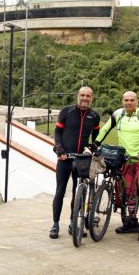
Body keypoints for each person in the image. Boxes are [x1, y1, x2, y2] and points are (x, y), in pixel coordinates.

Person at [94, 91, 139, 241]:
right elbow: (105, 129)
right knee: (129, 193)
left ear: (137, 101)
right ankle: (131, 222)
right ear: (122, 101)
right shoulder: (118, 114)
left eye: (132, 100)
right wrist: (95, 143)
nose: (129, 103)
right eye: (126, 100)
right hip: (126, 161)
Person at [49, 86, 100, 239]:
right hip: (65, 158)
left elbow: (96, 136)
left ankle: (73, 222)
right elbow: (58, 132)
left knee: (78, 193)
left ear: (92, 98)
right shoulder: (67, 111)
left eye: (88, 96)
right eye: (82, 95)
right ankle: (55, 224)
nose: (85, 98)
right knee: (60, 191)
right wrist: (58, 148)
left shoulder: (94, 116)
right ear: (78, 96)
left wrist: (93, 148)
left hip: (82, 160)